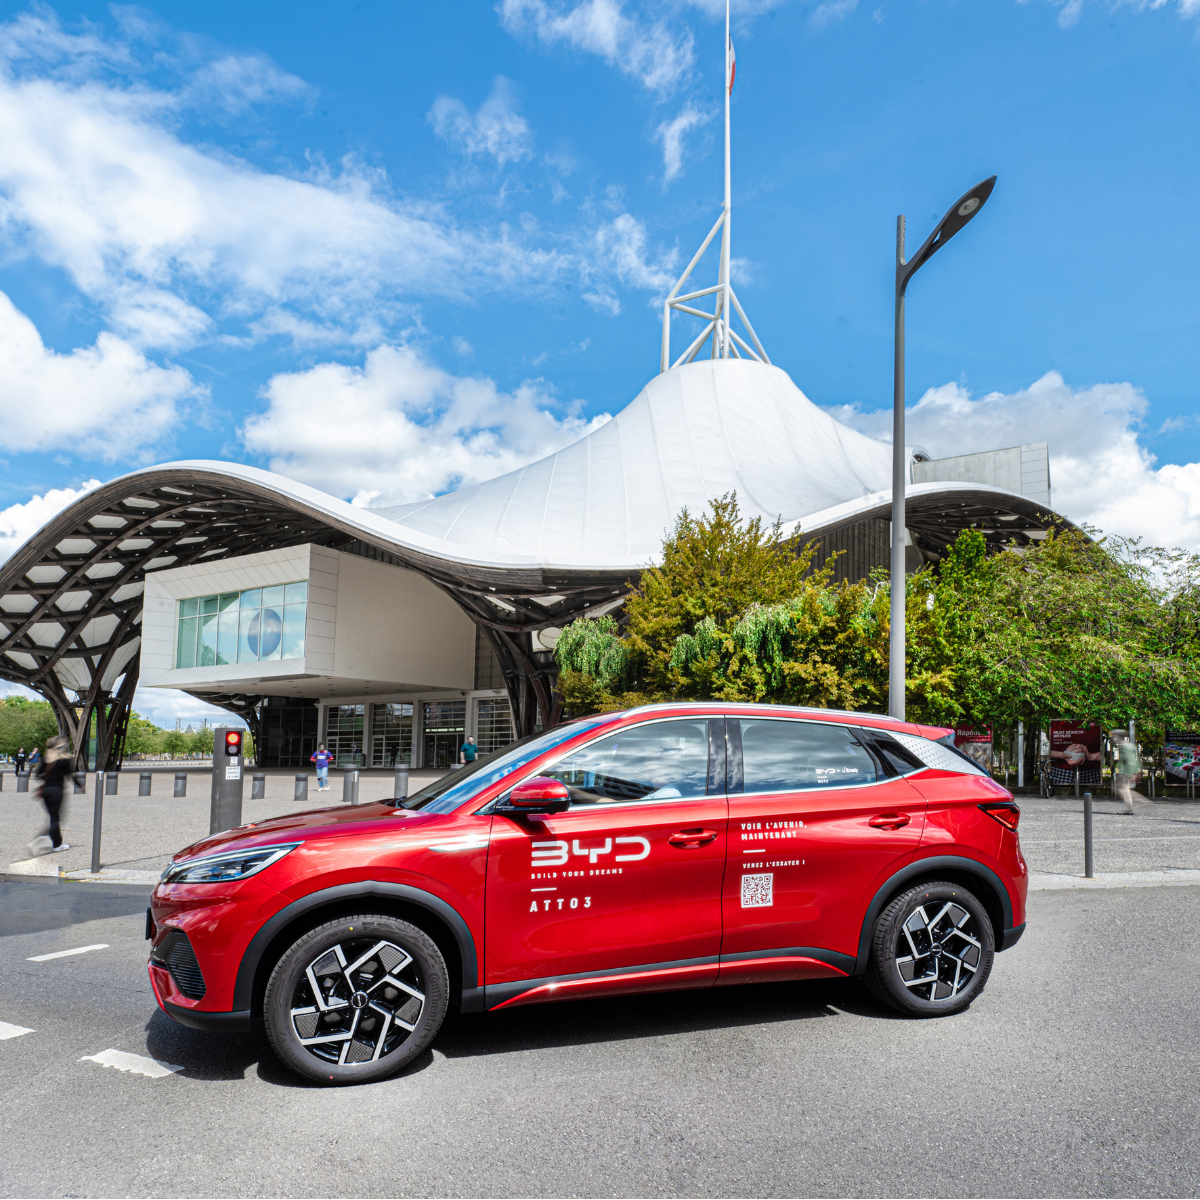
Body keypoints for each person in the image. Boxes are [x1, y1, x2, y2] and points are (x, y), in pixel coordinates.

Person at [28, 735, 70, 856]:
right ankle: (51, 843)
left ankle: (56, 842)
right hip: (57, 791)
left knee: (53, 817)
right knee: (55, 819)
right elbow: (69, 776)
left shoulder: (46, 758)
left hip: (46, 791)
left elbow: (39, 774)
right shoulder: (64, 759)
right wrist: (80, 785)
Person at [1111, 729, 1142, 816]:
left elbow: (1128, 760)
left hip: (1126, 772)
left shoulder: (1124, 747)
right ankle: (1131, 806)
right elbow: (1135, 759)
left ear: (1118, 737)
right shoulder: (1130, 745)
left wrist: (1128, 774)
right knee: (1122, 789)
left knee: (1124, 789)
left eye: (1114, 736)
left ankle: (1130, 808)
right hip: (1129, 771)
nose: (1113, 738)